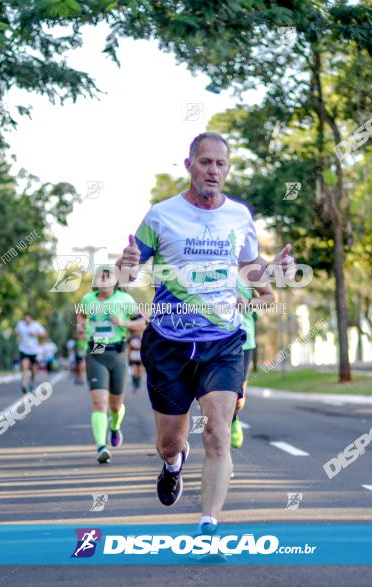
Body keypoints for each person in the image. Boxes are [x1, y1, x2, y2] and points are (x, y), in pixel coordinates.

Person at [118, 132, 293, 536]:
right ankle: (172, 463)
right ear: (189, 165)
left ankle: (208, 521)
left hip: (222, 342)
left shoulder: (240, 216)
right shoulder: (161, 215)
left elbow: (249, 270)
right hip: (168, 344)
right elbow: (127, 274)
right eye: (205, 162)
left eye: (220, 164)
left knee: (217, 430)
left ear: (227, 170)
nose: (213, 170)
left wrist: (273, 272)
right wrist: (126, 262)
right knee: (170, 441)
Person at [77, 267, 145, 464]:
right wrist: (81, 326)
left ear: (115, 281)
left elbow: (142, 324)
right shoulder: (88, 299)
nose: (103, 279)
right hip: (96, 350)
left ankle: (114, 427)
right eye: (100, 276)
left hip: (117, 352)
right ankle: (101, 447)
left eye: (108, 276)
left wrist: (124, 323)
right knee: (100, 403)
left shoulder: (125, 300)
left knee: (115, 407)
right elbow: (81, 316)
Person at [232, 280, 273, 449]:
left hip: (244, 340)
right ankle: (219, 441)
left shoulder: (247, 268)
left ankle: (233, 418)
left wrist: (248, 302)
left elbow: (269, 299)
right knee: (215, 394)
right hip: (215, 338)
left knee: (238, 399)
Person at [14, 313, 46, 394]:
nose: (26, 320)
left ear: (31, 319)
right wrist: (18, 334)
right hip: (23, 349)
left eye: (28, 319)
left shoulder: (36, 325)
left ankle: (31, 384)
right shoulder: (20, 324)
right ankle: (24, 385)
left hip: (33, 351)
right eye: (25, 319)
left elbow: (44, 334)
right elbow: (15, 332)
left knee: (33, 370)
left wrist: (35, 334)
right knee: (24, 367)